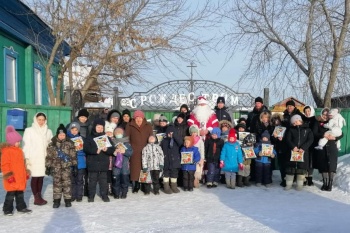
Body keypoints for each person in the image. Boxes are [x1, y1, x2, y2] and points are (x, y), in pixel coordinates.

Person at [23, 112, 53, 206]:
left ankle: (39, 196)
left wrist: (51, 156)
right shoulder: (29, 130)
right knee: (35, 178)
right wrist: (26, 158)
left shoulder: (48, 131)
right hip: (34, 158)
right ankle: (36, 198)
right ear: (35, 119)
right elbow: (26, 145)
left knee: (41, 178)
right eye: (39, 119)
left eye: (43, 120)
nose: (41, 121)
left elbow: (51, 145)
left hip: (44, 158)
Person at [1, 126, 32, 215]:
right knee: (10, 195)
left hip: (19, 177)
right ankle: (7, 209)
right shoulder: (7, 152)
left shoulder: (19, 151)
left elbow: (23, 163)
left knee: (20, 194)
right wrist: (8, 175)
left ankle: (21, 207)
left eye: (19, 141)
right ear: (12, 142)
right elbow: (5, 165)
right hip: (12, 177)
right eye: (17, 141)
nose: (19, 143)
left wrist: (25, 172)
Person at [45, 124, 77, 208]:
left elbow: (73, 155)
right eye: (60, 135)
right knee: (57, 184)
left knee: (67, 184)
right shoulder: (52, 145)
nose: (62, 136)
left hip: (67, 168)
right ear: (57, 135)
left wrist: (75, 166)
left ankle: (67, 200)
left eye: (63, 135)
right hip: (56, 168)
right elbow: (49, 157)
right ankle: (56, 201)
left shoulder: (70, 143)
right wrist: (48, 166)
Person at [83, 119, 115, 202]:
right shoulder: (89, 137)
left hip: (103, 163)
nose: (100, 129)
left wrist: (106, 150)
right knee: (92, 181)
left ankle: (104, 195)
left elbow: (112, 149)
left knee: (103, 181)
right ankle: (91, 196)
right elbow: (86, 148)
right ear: (94, 127)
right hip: (92, 163)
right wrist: (95, 151)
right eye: (98, 127)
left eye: (101, 127)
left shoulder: (106, 138)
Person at [313, 108, 342, 191]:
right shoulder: (318, 123)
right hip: (322, 146)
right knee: (323, 165)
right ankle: (325, 183)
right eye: (324, 114)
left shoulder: (333, 122)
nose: (325, 116)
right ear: (322, 114)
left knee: (332, 165)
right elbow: (315, 133)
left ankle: (330, 184)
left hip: (332, 145)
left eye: (327, 114)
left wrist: (335, 137)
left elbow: (341, 133)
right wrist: (324, 135)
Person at [125, 110, 153, 193]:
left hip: (145, 150)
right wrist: (129, 146)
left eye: (140, 117)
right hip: (134, 150)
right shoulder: (129, 125)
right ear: (134, 118)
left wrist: (150, 145)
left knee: (145, 167)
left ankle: (144, 184)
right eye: (137, 118)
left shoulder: (148, 125)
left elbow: (151, 136)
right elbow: (126, 138)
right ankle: (136, 184)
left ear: (143, 118)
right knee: (135, 168)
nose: (138, 119)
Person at [285, 115, 314, 191]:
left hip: (303, 153)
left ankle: (299, 185)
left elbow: (310, 139)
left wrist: (303, 148)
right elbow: (288, 139)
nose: (294, 123)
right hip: (292, 152)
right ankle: (288, 184)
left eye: (295, 121)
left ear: (300, 121)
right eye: (293, 122)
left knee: (301, 170)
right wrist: (293, 146)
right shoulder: (290, 130)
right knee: (290, 170)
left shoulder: (307, 129)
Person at [110, 127, 133, 199]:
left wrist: (124, 152)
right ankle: (116, 193)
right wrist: (114, 153)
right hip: (115, 165)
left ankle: (124, 193)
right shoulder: (112, 142)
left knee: (124, 180)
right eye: (116, 133)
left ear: (123, 134)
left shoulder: (127, 143)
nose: (118, 134)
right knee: (115, 180)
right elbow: (109, 152)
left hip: (125, 165)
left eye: (120, 133)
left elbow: (131, 153)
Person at [67, 122, 86, 202]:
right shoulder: (67, 139)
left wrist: (79, 150)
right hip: (70, 162)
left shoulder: (81, 139)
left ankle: (79, 195)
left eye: (76, 130)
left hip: (80, 162)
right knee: (71, 180)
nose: (74, 131)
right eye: (72, 130)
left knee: (80, 180)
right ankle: (72, 195)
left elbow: (86, 150)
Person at [160, 124, 183, 194]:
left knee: (174, 174)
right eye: (169, 133)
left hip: (175, 160)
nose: (170, 134)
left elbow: (181, 143)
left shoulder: (177, 140)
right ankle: (166, 187)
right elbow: (161, 147)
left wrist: (174, 136)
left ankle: (174, 186)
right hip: (166, 160)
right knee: (166, 174)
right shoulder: (164, 140)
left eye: (172, 133)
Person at [270, 113, 287, 187]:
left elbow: (288, 137)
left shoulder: (285, 127)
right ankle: (283, 179)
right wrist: (275, 137)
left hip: (284, 147)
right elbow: (272, 139)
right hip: (277, 147)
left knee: (284, 164)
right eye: (275, 120)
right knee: (280, 164)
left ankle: (286, 179)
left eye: (277, 120)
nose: (276, 121)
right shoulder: (272, 128)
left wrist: (283, 138)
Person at [302, 106, 316, 186]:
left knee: (311, 161)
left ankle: (310, 178)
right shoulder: (302, 119)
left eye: (309, 111)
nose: (307, 112)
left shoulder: (315, 120)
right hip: (304, 144)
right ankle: (303, 177)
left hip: (313, 143)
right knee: (304, 160)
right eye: (306, 111)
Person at [105, 122, 116, 196]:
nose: (109, 133)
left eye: (110, 132)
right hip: (106, 161)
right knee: (107, 176)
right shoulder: (104, 140)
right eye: (107, 132)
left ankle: (113, 188)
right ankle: (108, 189)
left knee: (114, 176)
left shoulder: (115, 140)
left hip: (114, 161)